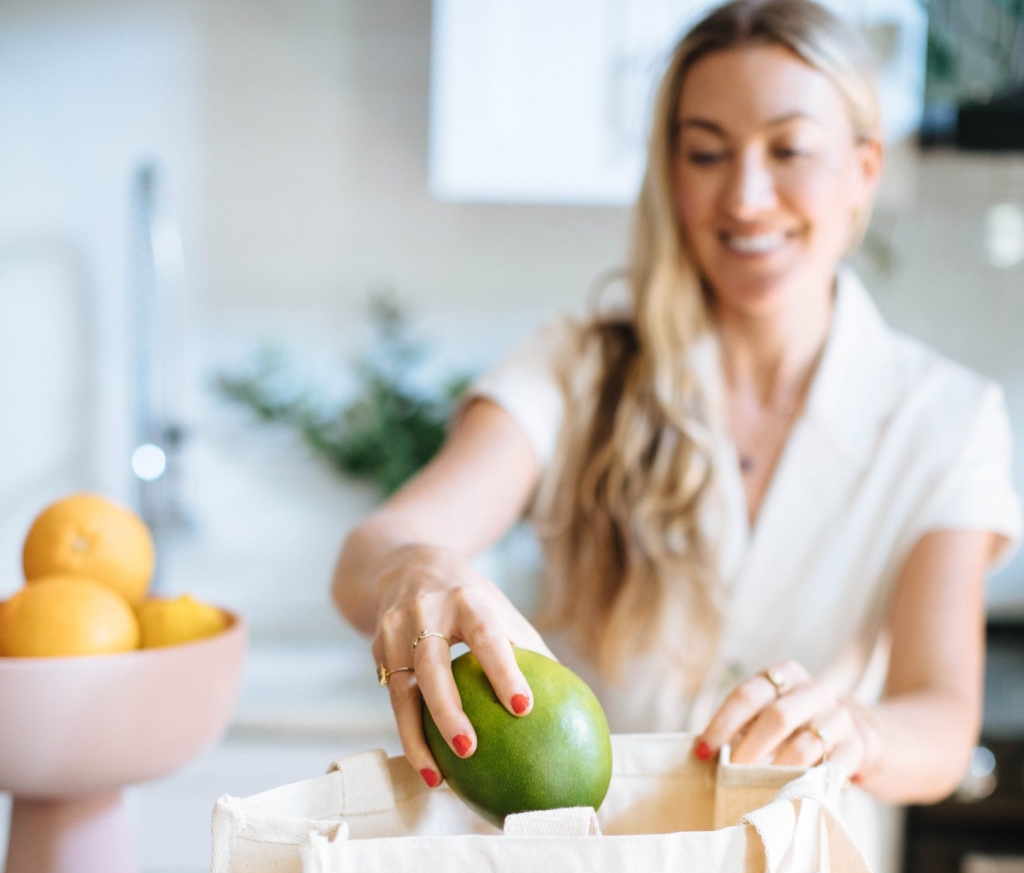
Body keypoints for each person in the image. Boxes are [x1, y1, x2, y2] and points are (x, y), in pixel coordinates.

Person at [333, 0, 1020, 814]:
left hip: (800, 872)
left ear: (863, 170)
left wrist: (859, 732)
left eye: (789, 150)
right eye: (706, 153)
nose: (747, 198)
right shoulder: (577, 367)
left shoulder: (947, 418)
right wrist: (416, 567)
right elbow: (369, 553)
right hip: (584, 860)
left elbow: (939, 721)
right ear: (670, 171)